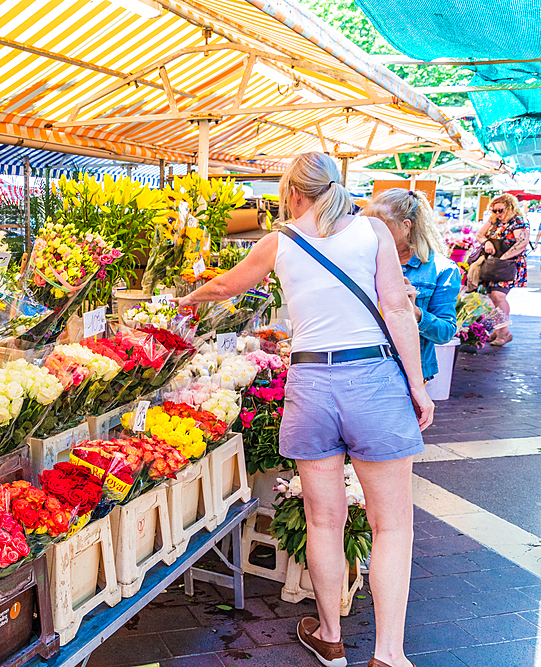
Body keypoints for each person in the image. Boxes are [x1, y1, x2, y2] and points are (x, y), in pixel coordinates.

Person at [177, 152, 433, 667]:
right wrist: (418, 386)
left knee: (323, 521)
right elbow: (397, 308)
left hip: (311, 382)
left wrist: (187, 298)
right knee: (392, 526)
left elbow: (226, 286)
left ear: (291, 192)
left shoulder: (279, 241)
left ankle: (331, 638)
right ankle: (388, 654)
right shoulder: (375, 233)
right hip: (373, 378)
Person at [363, 189, 460, 380]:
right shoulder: (364, 260)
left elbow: (446, 332)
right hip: (364, 367)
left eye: (381, 226)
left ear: (406, 226)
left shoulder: (441, 269)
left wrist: (414, 313)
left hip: (408, 374)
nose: (373, 232)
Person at [475, 194, 530, 346]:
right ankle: (497, 330)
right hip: (492, 264)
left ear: (510, 207)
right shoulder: (494, 221)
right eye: (495, 210)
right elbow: (479, 234)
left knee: (499, 296)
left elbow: (522, 242)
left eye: (501, 210)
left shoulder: (519, 221)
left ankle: (504, 332)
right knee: (492, 297)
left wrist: (504, 258)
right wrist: (486, 242)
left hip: (509, 264)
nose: (498, 213)